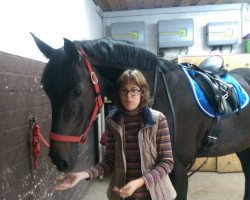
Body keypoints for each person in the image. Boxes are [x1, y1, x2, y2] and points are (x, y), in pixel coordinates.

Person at [50, 69, 176, 200]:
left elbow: (167, 162)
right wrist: (83, 175)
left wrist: (140, 182)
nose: (128, 96)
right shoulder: (112, 122)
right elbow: (109, 161)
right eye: (124, 91)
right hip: (122, 194)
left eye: (134, 90)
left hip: (155, 194)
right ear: (118, 93)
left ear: (142, 92)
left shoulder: (158, 119)